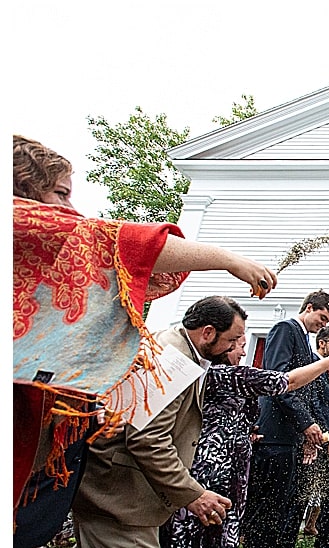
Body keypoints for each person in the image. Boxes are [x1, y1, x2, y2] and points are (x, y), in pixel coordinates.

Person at [13, 135, 277, 512]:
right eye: (60, 193)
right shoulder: (20, 221)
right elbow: (118, 243)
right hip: (121, 493)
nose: (72, 211)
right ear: (23, 189)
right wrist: (229, 259)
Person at [13, 296, 245, 548]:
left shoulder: (171, 348)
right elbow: (146, 437)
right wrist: (193, 494)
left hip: (102, 492)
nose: (236, 348)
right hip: (125, 503)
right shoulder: (174, 361)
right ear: (208, 332)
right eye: (232, 340)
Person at [137, 333, 329, 548]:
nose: (242, 351)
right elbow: (287, 381)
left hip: (193, 475)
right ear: (221, 347)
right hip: (220, 480)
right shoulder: (230, 375)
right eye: (238, 345)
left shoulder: (199, 374)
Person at [227, 291, 329, 548]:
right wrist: (307, 426)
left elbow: (301, 391)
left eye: (328, 322)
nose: (323, 325)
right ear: (308, 308)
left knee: (271, 525)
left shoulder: (303, 342)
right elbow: (278, 383)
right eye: (321, 317)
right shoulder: (284, 330)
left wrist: (306, 434)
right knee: (263, 525)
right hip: (273, 442)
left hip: (288, 442)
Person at [270, 326, 329, 548]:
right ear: (322, 343)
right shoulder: (312, 369)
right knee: (297, 506)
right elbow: (312, 407)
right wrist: (327, 439)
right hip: (314, 449)